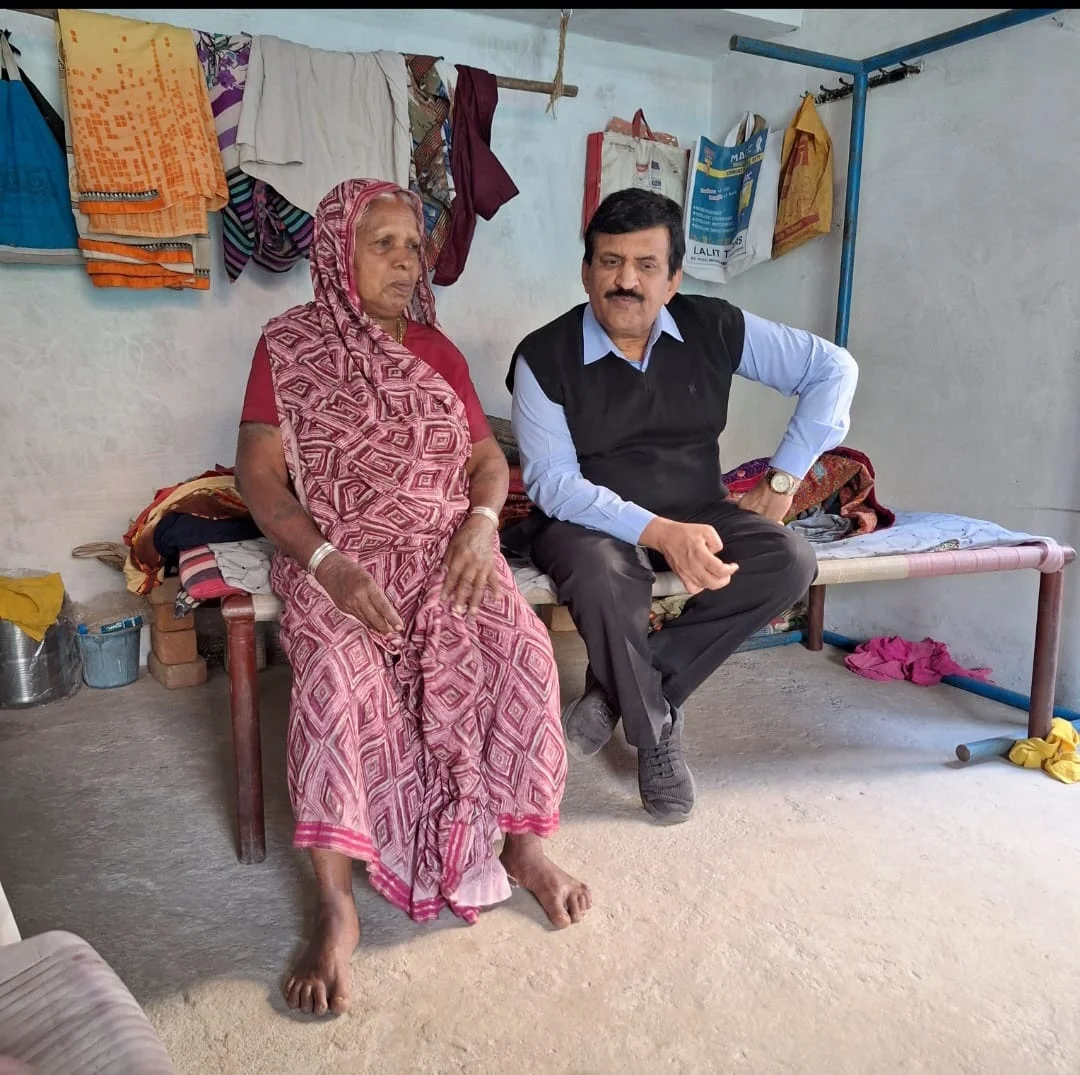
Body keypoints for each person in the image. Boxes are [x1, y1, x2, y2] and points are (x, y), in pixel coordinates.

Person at [235, 178, 590, 1019]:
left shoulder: (436, 349)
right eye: (384, 244)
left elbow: (486, 461)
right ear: (338, 253)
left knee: (523, 649)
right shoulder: (288, 346)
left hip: (445, 549)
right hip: (340, 557)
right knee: (333, 678)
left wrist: (481, 526)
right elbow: (258, 475)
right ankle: (336, 904)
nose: (408, 261)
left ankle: (524, 845)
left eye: (414, 245)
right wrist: (329, 564)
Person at [507, 188, 858, 825]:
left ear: (673, 279)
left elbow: (833, 369)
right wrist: (660, 532)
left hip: (697, 504)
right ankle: (655, 733)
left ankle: (629, 693)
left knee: (788, 561)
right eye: (610, 262)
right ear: (586, 272)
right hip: (585, 522)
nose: (626, 280)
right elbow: (553, 484)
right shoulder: (543, 355)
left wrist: (782, 481)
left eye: (646, 265)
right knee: (602, 573)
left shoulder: (712, 326)